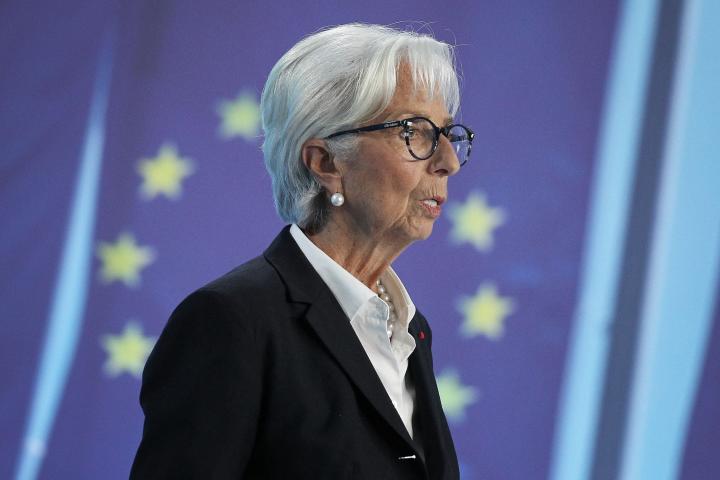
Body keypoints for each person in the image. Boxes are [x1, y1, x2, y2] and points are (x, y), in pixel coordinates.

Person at [130, 23, 473, 480]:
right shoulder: (231, 322)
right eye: (415, 131)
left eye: (447, 133)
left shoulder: (411, 330)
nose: (447, 161)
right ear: (325, 162)